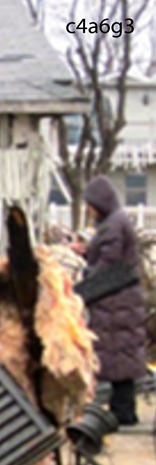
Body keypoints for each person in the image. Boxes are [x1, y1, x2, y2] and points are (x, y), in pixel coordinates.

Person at [77, 175, 147, 426]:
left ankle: (124, 412)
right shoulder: (115, 221)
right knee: (121, 356)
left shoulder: (114, 225)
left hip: (117, 301)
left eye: (90, 204)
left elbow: (109, 262)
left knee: (119, 355)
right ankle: (123, 410)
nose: (88, 209)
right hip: (121, 299)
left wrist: (86, 277)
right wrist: (86, 251)